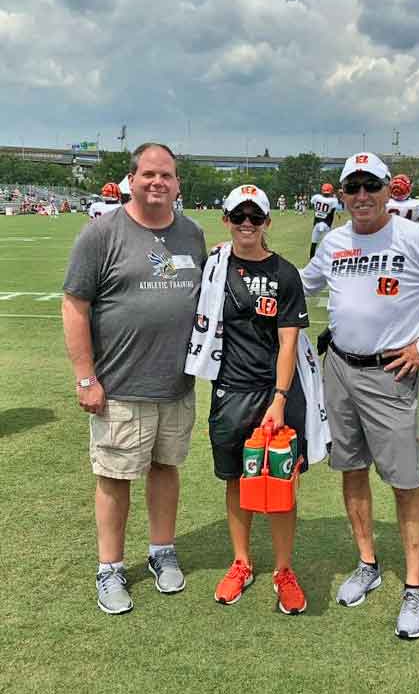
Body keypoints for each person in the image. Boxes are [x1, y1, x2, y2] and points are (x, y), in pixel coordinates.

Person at [301, 151, 419, 639]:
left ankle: (414, 588)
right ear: (342, 195)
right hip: (338, 367)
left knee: (404, 482)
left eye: (371, 185)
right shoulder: (335, 242)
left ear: (389, 190)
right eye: (353, 187)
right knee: (350, 469)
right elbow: (300, 287)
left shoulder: (415, 237)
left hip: (390, 375)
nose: (362, 195)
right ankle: (367, 562)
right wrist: (243, 255)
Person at [62, 143, 207, 615]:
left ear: (178, 183)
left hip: (176, 385)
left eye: (166, 175)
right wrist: (86, 378)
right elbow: (75, 305)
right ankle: (110, 568)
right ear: (132, 179)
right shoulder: (101, 233)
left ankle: (162, 550)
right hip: (120, 386)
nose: (157, 182)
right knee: (114, 477)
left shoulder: (192, 233)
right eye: (148, 174)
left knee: (166, 468)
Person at [186, 184, 311, 615]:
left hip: (274, 394)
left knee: (280, 482)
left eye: (255, 217)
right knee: (236, 479)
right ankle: (241, 562)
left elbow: (288, 342)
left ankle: (283, 570)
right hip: (229, 392)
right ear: (226, 220)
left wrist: (279, 398)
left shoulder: (284, 273)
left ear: (267, 222)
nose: (246, 224)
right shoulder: (213, 267)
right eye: (238, 216)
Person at [310, 183, 340, 257]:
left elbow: (313, 205)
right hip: (327, 223)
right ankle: (326, 257)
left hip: (317, 223)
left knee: (314, 243)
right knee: (327, 243)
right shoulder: (333, 200)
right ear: (331, 191)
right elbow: (333, 211)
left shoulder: (316, 197)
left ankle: (311, 258)